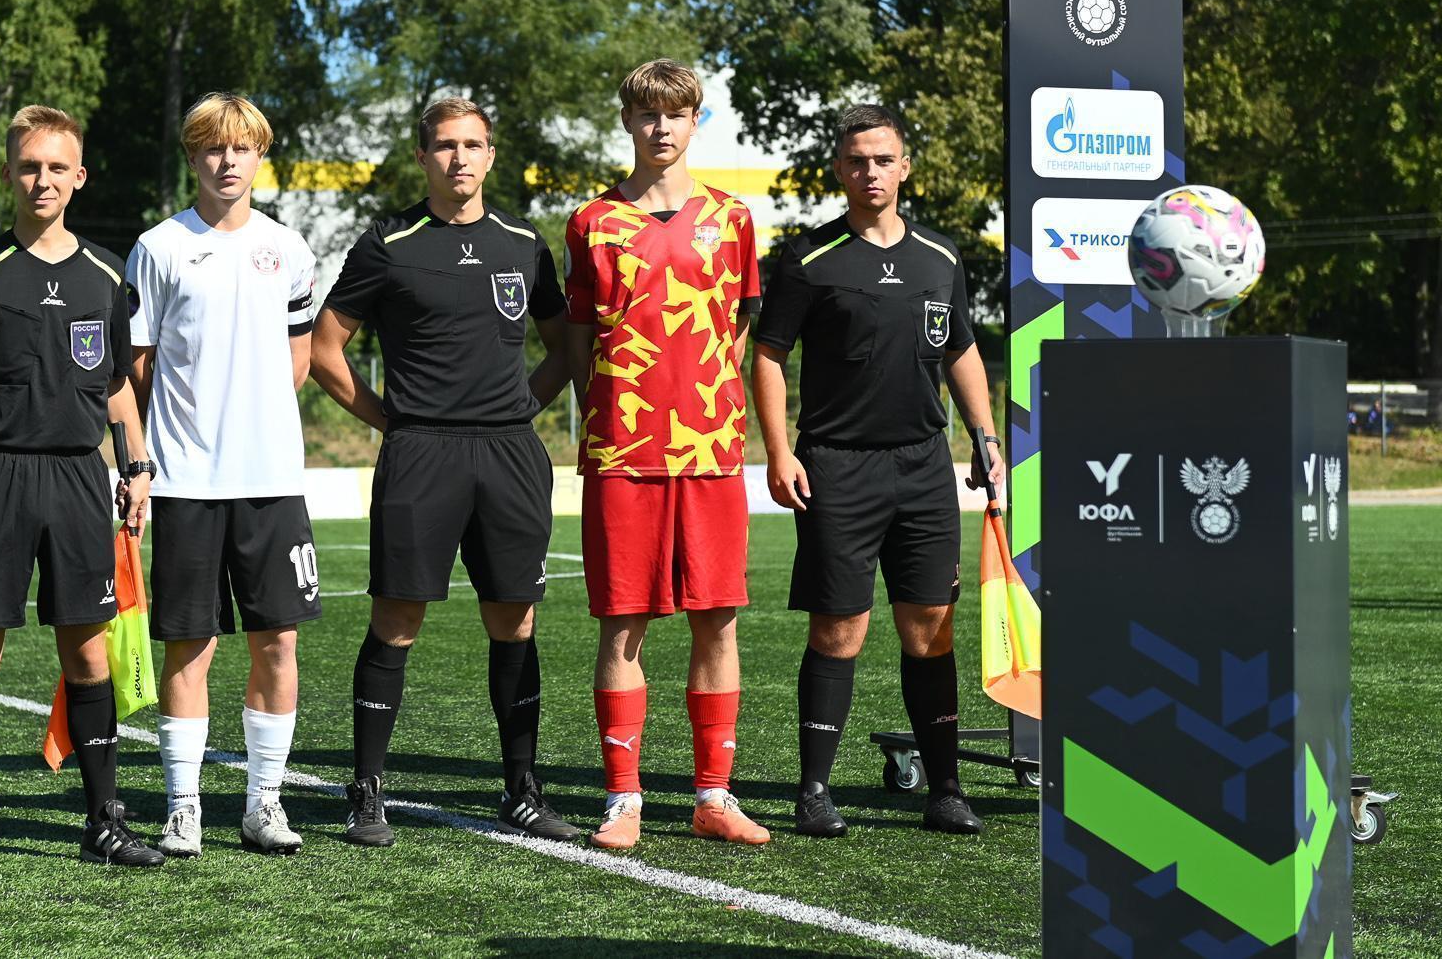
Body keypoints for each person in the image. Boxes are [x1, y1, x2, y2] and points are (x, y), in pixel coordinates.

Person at [310, 96, 581, 848]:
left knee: (515, 619)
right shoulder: (387, 243)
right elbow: (325, 351)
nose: (459, 157)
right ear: (422, 156)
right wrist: (391, 421)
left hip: (509, 453)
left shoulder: (523, 243)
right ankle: (366, 791)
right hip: (421, 451)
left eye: (473, 144)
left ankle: (521, 790)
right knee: (397, 620)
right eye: (444, 145)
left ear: (491, 155)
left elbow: (565, 346)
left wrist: (521, 407)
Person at [0, 103, 164, 868]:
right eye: (29, 165)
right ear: (8, 174)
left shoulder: (107, 273)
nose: (42, 179)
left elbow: (116, 386)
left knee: (89, 654)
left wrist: (137, 466)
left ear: (79, 176)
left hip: (78, 477)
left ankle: (103, 821)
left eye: (57, 166)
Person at [749, 103, 1005, 838]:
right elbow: (768, 355)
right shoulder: (808, 257)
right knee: (841, 630)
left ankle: (946, 790)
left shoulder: (940, 256)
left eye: (883, 159)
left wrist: (985, 438)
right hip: (837, 466)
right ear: (839, 169)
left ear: (905, 167)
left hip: (923, 466)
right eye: (857, 160)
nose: (871, 172)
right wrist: (779, 451)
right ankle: (814, 791)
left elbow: (960, 350)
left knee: (931, 627)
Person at [564, 59, 767, 851]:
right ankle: (624, 799)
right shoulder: (591, 222)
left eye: (675, 114)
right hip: (623, 453)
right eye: (647, 114)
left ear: (694, 121)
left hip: (711, 453)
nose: (660, 127)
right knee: (623, 627)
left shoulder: (733, 217)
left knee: (718, 621)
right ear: (627, 121)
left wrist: (705, 400)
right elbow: (580, 340)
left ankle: (714, 795)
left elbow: (736, 327)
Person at [125, 92, 319, 858]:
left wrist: (253, 417)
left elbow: (299, 360)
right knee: (190, 646)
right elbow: (138, 367)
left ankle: (264, 803)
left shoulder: (289, 248)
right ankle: (184, 807)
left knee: (278, 643)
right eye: (213, 146)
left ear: (260, 155)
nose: (228, 159)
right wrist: (152, 453)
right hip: (185, 483)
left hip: (272, 480)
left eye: (242, 147)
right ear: (193, 156)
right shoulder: (158, 247)